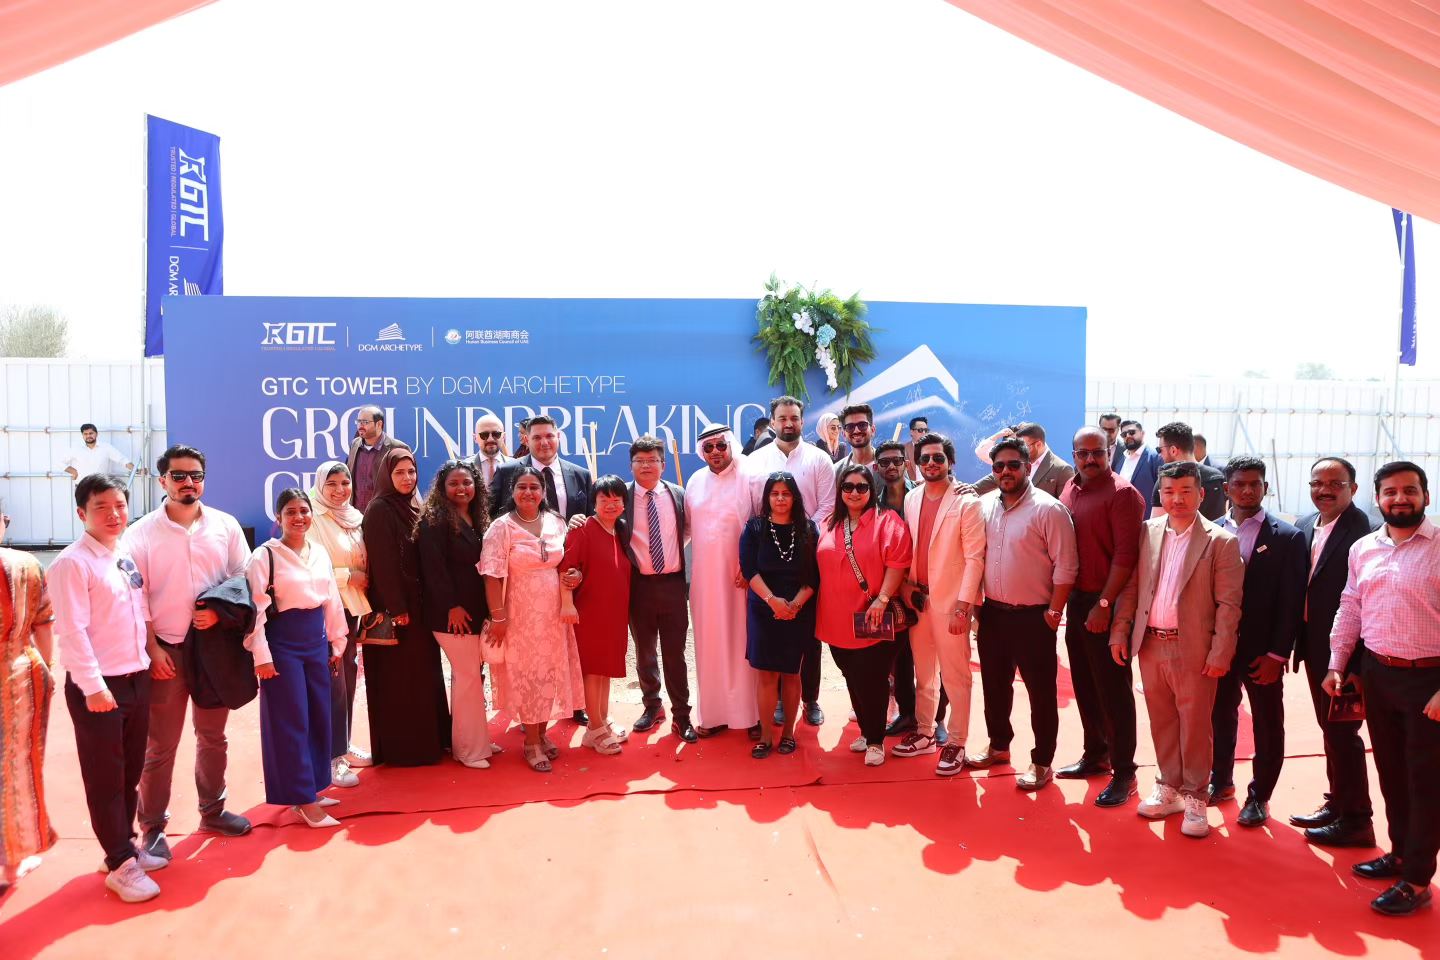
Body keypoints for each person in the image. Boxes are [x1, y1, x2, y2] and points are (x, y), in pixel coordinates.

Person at [1323, 461, 1440, 916]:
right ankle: (1400, 854)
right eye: (1390, 492)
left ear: (1425, 496)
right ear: (1377, 499)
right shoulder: (1364, 548)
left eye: (1409, 490)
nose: (1400, 498)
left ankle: (1417, 880)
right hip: (1378, 675)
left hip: (1429, 681)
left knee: (1425, 781)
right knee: (1391, 772)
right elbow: (1351, 606)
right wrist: (1337, 664)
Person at [126, 444, 252, 862]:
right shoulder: (141, 533)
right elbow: (135, 595)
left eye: (196, 476)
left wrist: (218, 613)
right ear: (162, 480)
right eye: (178, 476)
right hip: (167, 651)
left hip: (214, 651)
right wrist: (152, 647)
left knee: (213, 737)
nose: (188, 483)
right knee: (160, 745)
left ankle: (213, 811)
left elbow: (243, 577)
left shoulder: (225, 525)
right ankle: (152, 828)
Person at [1110, 461, 1243, 839]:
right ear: (1161, 495)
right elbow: (1133, 587)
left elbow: (1229, 605)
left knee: (1196, 726)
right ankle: (1169, 786)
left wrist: (1220, 653)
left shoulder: (1221, 541)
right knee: (1163, 720)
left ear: (1201, 494)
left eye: (1186, 491)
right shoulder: (1147, 532)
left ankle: (1197, 796)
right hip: (1151, 643)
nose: (1177, 499)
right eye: (1169, 491)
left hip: (1194, 649)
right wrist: (1120, 631)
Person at [49, 474, 165, 902]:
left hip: (136, 678)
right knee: (105, 778)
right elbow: (72, 632)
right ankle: (120, 865)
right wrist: (93, 687)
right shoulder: (72, 563)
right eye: (102, 507)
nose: (114, 514)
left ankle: (123, 847)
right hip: (100, 686)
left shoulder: (123, 554)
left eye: (119, 505)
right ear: (82, 513)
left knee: (129, 772)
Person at [967, 438, 1078, 790]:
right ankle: (999, 745)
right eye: (998, 466)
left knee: (1040, 694)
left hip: (1035, 618)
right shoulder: (984, 506)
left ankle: (1042, 761)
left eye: (1013, 465)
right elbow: (974, 558)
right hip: (993, 615)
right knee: (994, 688)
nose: (1005, 471)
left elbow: (1066, 566)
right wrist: (976, 609)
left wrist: (1054, 612)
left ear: (1028, 467)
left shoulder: (1049, 510)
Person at [1210, 456, 1307, 827]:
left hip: (1262, 651)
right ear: (1227, 489)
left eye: (1255, 484)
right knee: (1220, 715)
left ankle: (1259, 796)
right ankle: (1220, 781)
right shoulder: (1212, 530)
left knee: (1267, 723)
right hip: (1220, 647)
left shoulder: (1287, 537)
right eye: (1240, 484)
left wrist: (1277, 654)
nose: (1248, 490)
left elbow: (1291, 601)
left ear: (1266, 488)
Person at [243, 489, 348, 829]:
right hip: (283, 646)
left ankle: (313, 787)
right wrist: (261, 655)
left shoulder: (318, 552)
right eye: (290, 512)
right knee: (291, 721)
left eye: (304, 510)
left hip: (316, 642)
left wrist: (337, 641)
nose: (299, 517)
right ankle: (301, 799)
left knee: (318, 715)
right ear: (278, 518)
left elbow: (331, 598)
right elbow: (255, 611)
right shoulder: (264, 556)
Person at [1056, 427, 1146, 807]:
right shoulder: (1070, 488)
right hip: (1077, 602)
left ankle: (1125, 772)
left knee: (1114, 691)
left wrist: (1104, 605)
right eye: (1084, 453)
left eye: (1098, 452)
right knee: (1085, 684)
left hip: (1107, 602)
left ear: (1110, 452)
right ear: (1074, 455)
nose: (1091, 459)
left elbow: (1126, 556)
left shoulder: (1123, 494)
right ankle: (1096, 755)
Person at [1291, 457, 1376, 846]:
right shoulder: (1306, 524)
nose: (1324, 490)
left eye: (1335, 484)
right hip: (1315, 648)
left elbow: (1366, 605)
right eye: (1317, 483)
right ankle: (1337, 802)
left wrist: (1354, 663)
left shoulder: (1365, 533)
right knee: (1330, 729)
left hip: (1347, 656)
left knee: (1344, 732)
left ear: (1352, 489)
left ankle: (1357, 821)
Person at [481, 467, 584, 772]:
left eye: (534, 487)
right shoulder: (501, 527)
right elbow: (491, 575)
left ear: (543, 492)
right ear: (512, 491)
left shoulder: (556, 521)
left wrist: (575, 576)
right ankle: (531, 742)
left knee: (548, 671)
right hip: (519, 615)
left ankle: (541, 732)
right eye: (522, 487)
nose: (528, 492)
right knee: (526, 674)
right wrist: (498, 617)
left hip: (553, 614)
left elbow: (566, 562)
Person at [893, 433, 985, 775]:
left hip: (951, 604)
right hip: (917, 600)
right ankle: (925, 732)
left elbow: (975, 559)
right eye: (925, 458)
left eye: (938, 458)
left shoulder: (967, 502)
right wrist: (905, 587)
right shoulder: (912, 498)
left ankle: (957, 742)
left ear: (950, 462)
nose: (931, 463)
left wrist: (964, 607)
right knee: (924, 674)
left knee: (956, 677)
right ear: (917, 463)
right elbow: (909, 548)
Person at [815, 465, 913, 766]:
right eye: (848, 487)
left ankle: (875, 740)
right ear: (839, 491)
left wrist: (882, 600)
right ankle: (867, 731)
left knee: (872, 679)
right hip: (835, 619)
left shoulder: (887, 520)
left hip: (872, 617)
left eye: (862, 487)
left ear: (872, 490)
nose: (854, 492)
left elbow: (898, 562)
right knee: (851, 676)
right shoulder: (830, 523)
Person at [748, 395, 837, 727]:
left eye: (794, 418)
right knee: (773, 630)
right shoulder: (755, 461)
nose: (788, 423)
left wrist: (801, 534)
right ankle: (779, 701)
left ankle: (809, 699)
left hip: (807, 553)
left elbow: (828, 506)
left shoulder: (819, 459)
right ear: (772, 422)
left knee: (807, 632)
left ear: (802, 421)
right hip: (768, 555)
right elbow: (751, 506)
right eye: (782, 418)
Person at [361, 449, 449, 766]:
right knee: (399, 679)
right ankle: (404, 750)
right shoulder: (379, 510)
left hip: (419, 606)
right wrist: (397, 607)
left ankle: (430, 742)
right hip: (397, 610)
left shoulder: (414, 505)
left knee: (422, 675)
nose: (407, 478)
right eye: (399, 472)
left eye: (411, 471)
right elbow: (383, 564)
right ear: (387, 475)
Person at [417, 461, 495, 769]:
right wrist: (452, 605)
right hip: (451, 615)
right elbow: (433, 569)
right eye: (454, 483)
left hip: (475, 611)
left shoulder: (477, 517)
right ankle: (469, 751)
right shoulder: (434, 520)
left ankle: (476, 739)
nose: (461, 488)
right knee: (467, 678)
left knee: (472, 677)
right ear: (442, 487)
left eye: (467, 482)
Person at [685, 424, 761, 739]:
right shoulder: (694, 482)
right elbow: (685, 530)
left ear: (730, 445)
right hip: (705, 582)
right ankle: (714, 714)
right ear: (701, 451)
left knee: (745, 642)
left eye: (720, 445)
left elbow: (763, 525)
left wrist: (752, 566)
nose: (715, 452)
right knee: (709, 644)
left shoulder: (751, 477)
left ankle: (751, 715)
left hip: (743, 579)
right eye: (709, 447)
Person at [618, 435, 695, 740]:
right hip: (639, 586)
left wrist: (670, 554)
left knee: (675, 654)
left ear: (663, 464)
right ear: (631, 465)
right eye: (640, 460)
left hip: (673, 585)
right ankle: (652, 706)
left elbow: (687, 529)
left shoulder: (678, 494)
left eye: (652, 460)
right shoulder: (621, 496)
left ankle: (682, 715)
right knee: (645, 652)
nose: (646, 465)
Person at [740, 472, 818, 758]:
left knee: (791, 673)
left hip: (798, 609)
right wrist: (773, 602)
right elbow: (749, 570)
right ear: (767, 497)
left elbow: (815, 576)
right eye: (775, 493)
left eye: (786, 493)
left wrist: (793, 605)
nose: (781, 499)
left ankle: (788, 734)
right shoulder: (754, 528)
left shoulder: (808, 529)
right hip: (763, 609)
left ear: (795, 497)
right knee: (766, 674)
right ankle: (765, 735)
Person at [305, 461, 373, 785]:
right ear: (320, 485)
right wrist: (348, 576)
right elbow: (305, 565)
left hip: (352, 608)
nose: (339, 490)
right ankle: (330, 759)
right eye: (331, 484)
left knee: (347, 677)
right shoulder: (311, 516)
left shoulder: (354, 516)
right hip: (325, 609)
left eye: (344, 483)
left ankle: (342, 746)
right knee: (331, 682)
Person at [0, 514, 58, 896]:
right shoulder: (26, 565)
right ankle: (12, 860)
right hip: (18, 673)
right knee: (17, 766)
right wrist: (49, 669)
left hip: (19, 672)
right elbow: (44, 624)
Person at [876, 441, 946, 739]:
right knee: (899, 658)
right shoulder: (873, 504)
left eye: (896, 460)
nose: (891, 466)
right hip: (892, 591)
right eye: (884, 462)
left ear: (907, 463)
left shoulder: (922, 494)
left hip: (926, 587)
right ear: (877, 467)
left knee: (936, 658)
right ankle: (907, 714)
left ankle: (938, 719)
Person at [559, 475, 632, 754]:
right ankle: (596, 728)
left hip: (614, 613)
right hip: (588, 611)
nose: (611, 504)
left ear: (624, 504)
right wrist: (568, 604)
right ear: (594, 502)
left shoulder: (621, 531)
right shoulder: (583, 529)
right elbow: (567, 569)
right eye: (604, 499)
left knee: (605, 669)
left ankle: (600, 721)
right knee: (592, 669)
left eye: (616, 499)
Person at [490, 415, 593, 522]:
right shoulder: (506, 472)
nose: (544, 443)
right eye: (537, 437)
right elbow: (490, 516)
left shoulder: (581, 475)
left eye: (549, 436)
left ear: (558, 436)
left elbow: (591, 520)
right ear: (526, 440)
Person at [972, 423, 1075, 498]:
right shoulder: (1016, 461)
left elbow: (1065, 510)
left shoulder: (1063, 470)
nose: (1020, 451)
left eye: (1024, 447)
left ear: (1038, 445)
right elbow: (978, 487)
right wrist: (968, 490)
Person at [1149, 422, 1226, 521]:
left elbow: (1156, 524)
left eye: (1159, 450)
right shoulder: (1217, 477)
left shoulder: (1166, 481)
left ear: (1173, 450)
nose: (1159, 455)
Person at [346, 406, 411, 513]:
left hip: (385, 515)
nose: (360, 426)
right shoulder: (354, 444)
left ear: (379, 424)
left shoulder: (398, 448)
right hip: (356, 516)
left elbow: (406, 487)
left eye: (365, 422)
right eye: (359, 421)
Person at [1112, 419, 1164, 507]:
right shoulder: (1121, 460)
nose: (1128, 436)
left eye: (1132, 432)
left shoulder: (1155, 458)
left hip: (1146, 514)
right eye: (1124, 434)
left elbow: (1162, 491)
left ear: (1142, 433)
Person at [61, 423, 133, 483]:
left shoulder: (106, 447)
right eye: (85, 434)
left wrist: (136, 469)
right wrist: (73, 471)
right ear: (82, 435)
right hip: (82, 487)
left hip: (101, 487)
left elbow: (122, 460)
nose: (88, 436)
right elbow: (60, 462)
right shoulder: (76, 449)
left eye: (91, 433)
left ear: (96, 434)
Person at [467, 414, 517, 489]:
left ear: (503, 437)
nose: (490, 439)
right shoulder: (465, 468)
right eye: (484, 435)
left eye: (496, 434)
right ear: (475, 438)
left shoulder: (516, 467)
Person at [833, 403, 877, 475]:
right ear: (844, 434)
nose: (856, 430)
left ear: (873, 430)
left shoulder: (889, 466)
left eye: (862, 425)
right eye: (850, 427)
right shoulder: (836, 471)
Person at [902, 416, 929, 483]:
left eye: (926, 430)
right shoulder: (903, 449)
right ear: (911, 432)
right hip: (912, 487)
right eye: (920, 430)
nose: (924, 433)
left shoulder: (934, 448)